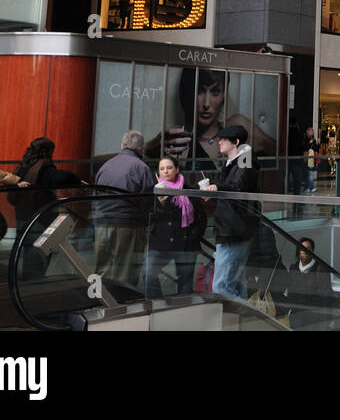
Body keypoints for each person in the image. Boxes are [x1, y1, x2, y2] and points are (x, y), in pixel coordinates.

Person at [147, 68, 276, 167]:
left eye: (215, 92)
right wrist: (150, 147)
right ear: (187, 92)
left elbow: (282, 153)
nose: (207, 104)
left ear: (224, 94)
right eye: (200, 91)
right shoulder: (179, 143)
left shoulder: (238, 126)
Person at [7, 137, 85, 280]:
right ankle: (33, 288)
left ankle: (26, 285)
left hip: (22, 216)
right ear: (48, 151)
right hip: (39, 219)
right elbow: (58, 177)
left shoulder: (24, 165)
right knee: (38, 257)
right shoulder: (44, 166)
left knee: (28, 255)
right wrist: (76, 179)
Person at [201, 126, 260, 298]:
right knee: (233, 283)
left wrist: (217, 186)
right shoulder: (235, 162)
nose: (219, 142)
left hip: (236, 229)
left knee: (221, 286)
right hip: (233, 227)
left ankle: (234, 320)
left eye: (224, 139)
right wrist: (214, 187)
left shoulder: (245, 161)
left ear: (236, 142)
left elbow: (237, 187)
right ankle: (242, 320)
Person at [93, 130, 156, 287]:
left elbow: (95, 194)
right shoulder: (141, 168)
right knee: (125, 270)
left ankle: (101, 301)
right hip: (129, 224)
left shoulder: (106, 166)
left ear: (123, 145)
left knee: (102, 268)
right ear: (140, 148)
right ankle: (123, 304)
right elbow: (148, 201)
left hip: (102, 222)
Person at [143, 156, 206, 298]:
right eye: (162, 169)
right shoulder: (153, 191)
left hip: (186, 244)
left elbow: (201, 217)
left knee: (185, 284)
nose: (165, 171)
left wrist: (194, 236)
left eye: (169, 167)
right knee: (147, 272)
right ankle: (157, 305)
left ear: (177, 169)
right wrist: (160, 204)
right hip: (161, 244)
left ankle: (182, 312)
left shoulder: (188, 190)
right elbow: (147, 218)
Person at [302, 126, 319, 195]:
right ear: (307, 132)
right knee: (308, 173)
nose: (312, 132)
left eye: (312, 130)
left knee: (309, 173)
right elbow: (304, 148)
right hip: (307, 157)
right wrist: (309, 143)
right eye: (310, 130)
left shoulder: (313, 140)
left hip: (311, 158)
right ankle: (310, 187)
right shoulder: (305, 139)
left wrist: (318, 143)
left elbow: (316, 149)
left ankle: (309, 187)